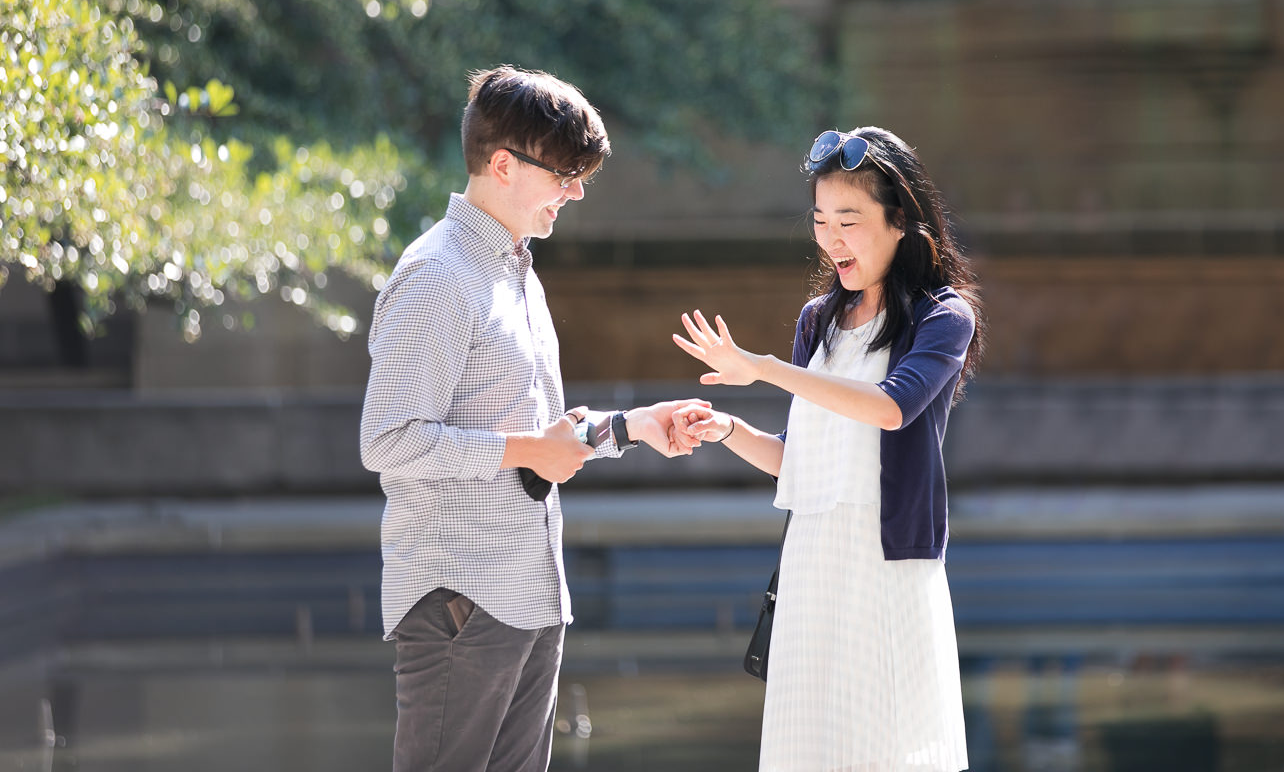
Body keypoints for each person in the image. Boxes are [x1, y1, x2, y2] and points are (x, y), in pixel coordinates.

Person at [359, 64, 708, 772]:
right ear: (502, 165)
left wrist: (632, 426)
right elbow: (388, 440)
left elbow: (546, 440)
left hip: (528, 594)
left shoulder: (515, 267)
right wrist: (525, 449)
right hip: (460, 601)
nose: (576, 191)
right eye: (565, 174)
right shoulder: (438, 275)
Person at [672, 126, 984, 772]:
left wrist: (760, 367)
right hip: (813, 565)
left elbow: (891, 407)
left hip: (885, 567)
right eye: (820, 221)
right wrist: (728, 430)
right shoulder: (817, 322)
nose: (831, 239)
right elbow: (799, 460)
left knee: (887, 751)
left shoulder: (943, 317)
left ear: (900, 222)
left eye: (849, 220)